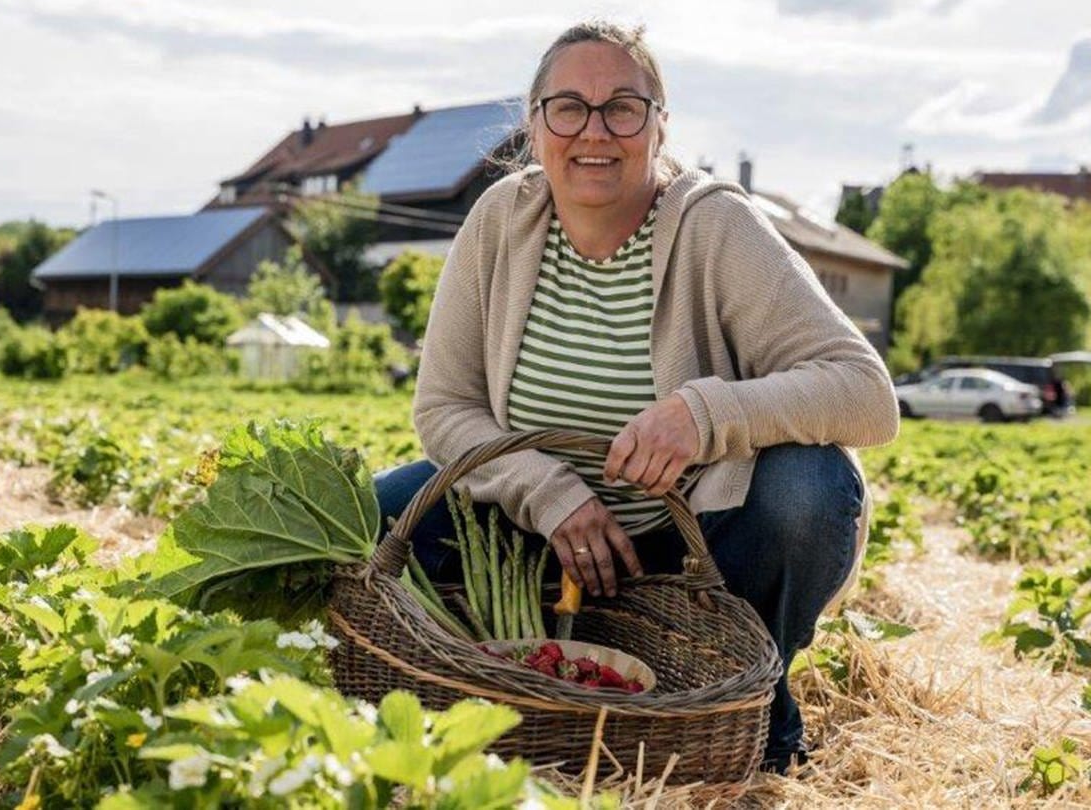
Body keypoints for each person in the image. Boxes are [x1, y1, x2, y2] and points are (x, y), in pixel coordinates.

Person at [373, 20, 899, 775]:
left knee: (807, 491)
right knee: (371, 517)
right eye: (569, 107)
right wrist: (547, 493)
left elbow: (865, 392)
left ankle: (754, 703)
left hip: (698, 547)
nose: (595, 130)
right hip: (536, 535)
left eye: (624, 107)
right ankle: (475, 692)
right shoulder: (498, 222)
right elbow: (444, 408)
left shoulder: (716, 226)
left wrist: (704, 416)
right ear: (535, 124)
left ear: (659, 126)